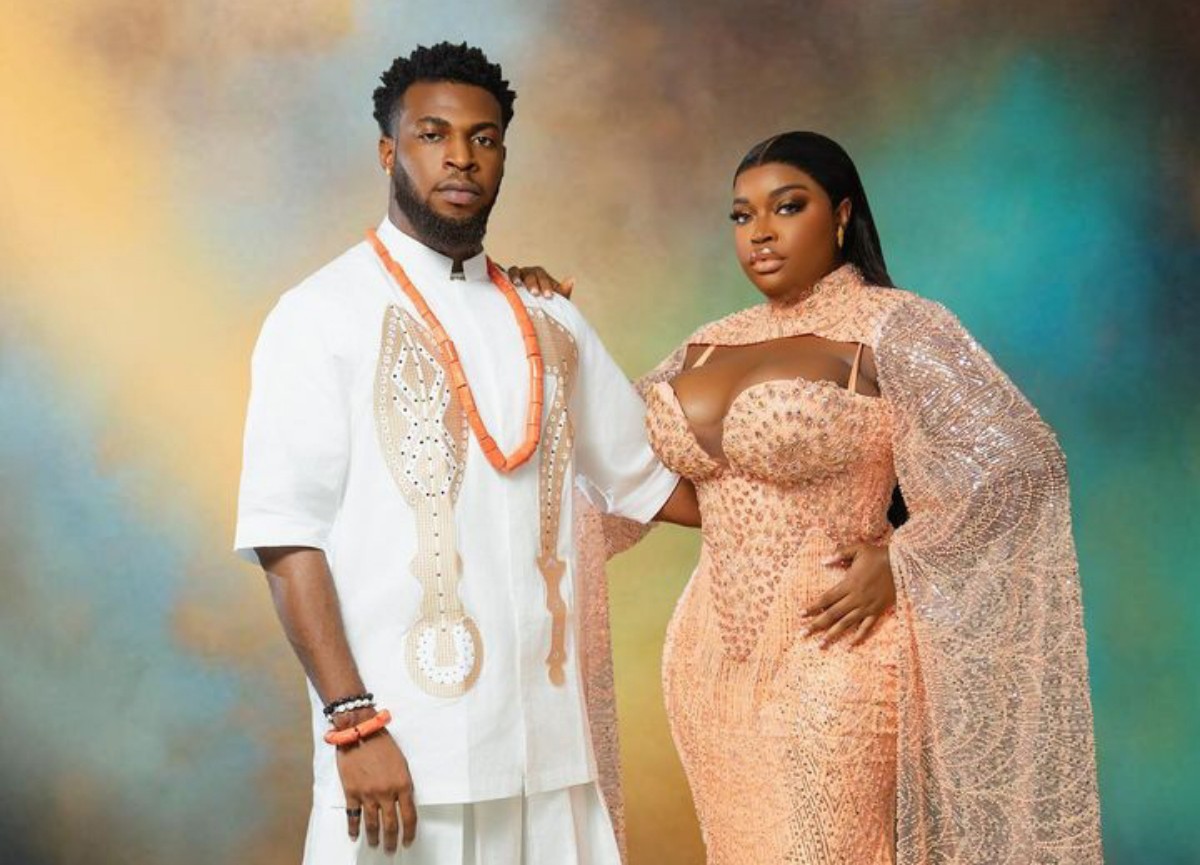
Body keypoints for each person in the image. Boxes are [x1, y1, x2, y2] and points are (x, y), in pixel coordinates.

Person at [552, 131, 1102, 864]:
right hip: (708, 660)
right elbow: (621, 472)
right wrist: (545, 330)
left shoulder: (893, 325)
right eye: (742, 215)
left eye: (787, 207)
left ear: (841, 215)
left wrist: (901, 556)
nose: (761, 232)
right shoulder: (708, 343)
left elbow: (1021, 464)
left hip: (837, 646)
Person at [234, 42, 697, 864]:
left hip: (550, 765)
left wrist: (848, 510)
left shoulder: (551, 319)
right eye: (433, 134)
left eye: (483, 138)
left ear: (504, 157)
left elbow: (651, 485)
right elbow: (285, 536)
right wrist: (352, 722)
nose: (461, 156)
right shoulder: (319, 314)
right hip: (402, 761)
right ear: (389, 152)